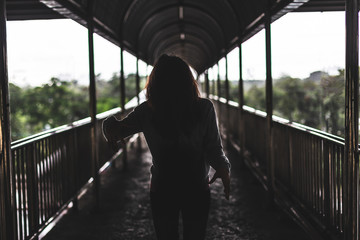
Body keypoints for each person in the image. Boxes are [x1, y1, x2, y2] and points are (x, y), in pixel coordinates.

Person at [102, 54, 230, 240]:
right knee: (195, 235)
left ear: (155, 83)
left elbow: (116, 129)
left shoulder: (146, 111)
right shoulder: (204, 108)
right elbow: (213, 148)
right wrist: (223, 168)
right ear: (188, 81)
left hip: (162, 188)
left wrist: (108, 130)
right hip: (197, 186)